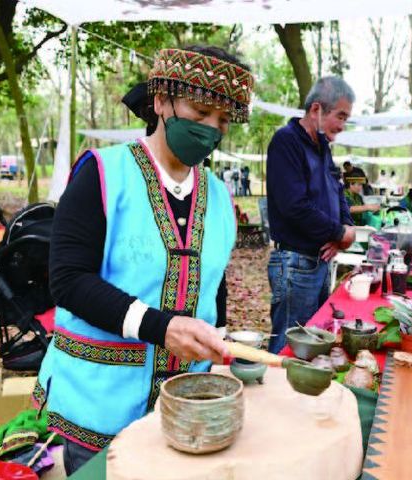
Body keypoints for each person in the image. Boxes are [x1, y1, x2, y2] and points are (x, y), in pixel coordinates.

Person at [37, 45, 253, 475]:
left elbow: (214, 280)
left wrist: (222, 351)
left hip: (190, 402)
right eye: (200, 111)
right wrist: (160, 327)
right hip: (100, 401)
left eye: (223, 120)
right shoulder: (101, 173)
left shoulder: (219, 196)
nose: (211, 128)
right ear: (160, 101)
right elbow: (67, 279)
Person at [266, 76, 356, 353]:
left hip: (319, 261)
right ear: (316, 109)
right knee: (289, 345)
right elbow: (295, 206)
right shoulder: (286, 141)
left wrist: (345, 229)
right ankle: (276, 396)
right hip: (295, 264)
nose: (342, 126)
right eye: (340, 116)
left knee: (313, 341)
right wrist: (339, 233)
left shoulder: (323, 147)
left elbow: (338, 190)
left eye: (346, 118)